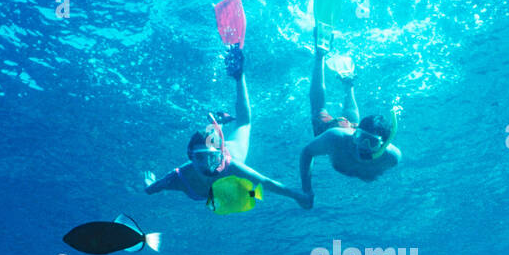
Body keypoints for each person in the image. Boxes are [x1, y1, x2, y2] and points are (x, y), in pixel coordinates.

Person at [145, 44, 310, 207]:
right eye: (200, 157)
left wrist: (297, 196)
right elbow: (151, 189)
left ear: (221, 155)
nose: (207, 164)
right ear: (190, 157)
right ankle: (219, 123)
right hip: (217, 152)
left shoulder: (232, 167)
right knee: (210, 139)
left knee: (244, 124)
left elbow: (266, 182)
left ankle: (239, 77)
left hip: (233, 150)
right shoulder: (179, 178)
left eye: (213, 157)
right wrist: (150, 184)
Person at [298, 29, 401, 202]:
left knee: (352, 122)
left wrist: (359, 136)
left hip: (351, 130)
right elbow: (307, 152)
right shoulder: (335, 138)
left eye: (373, 142)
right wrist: (307, 189)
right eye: (362, 138)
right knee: (318, 112)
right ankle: (320, 56)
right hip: (341, 132)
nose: (364, 146)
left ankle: (348, 84)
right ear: (356, 134)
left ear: (383, 144)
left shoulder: (392, 158)